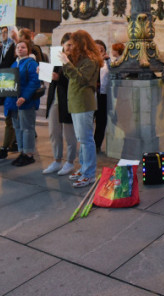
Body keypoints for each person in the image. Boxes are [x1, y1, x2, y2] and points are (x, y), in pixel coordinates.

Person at [60, 30, 102, 188]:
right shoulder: (81, 59)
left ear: (82, 42)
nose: (72, 45)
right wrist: (68, 59)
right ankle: (84, 167)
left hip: (84, 103)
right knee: (81, 139)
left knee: (86, 140)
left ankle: (89, 174)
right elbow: (70, 75)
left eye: (74, 42)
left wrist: (67, 62)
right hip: (76, 103)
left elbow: (82, 79)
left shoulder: (90, 60)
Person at [42, 33, 78, 176]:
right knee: (54, 132)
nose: (70, 48)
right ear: (62, 45)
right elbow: (52, 77)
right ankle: (57, 160)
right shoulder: (57, 57)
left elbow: (75, 80)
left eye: (72, 45)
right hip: (54, 99)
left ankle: (70, 162)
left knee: (69, 134)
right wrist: (44, 73)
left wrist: (59, 78)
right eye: (67, 44)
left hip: (68, 100)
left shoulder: (76, 59)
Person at [7, 41, 43, 167]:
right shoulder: (15, 63)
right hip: (14, 102)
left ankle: (28, 154)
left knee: (27, 128)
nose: (20, 49)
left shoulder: (31, 63)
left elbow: (34, 82)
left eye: (23, 47)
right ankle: (22, 151)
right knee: (18, 127)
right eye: (18, 47)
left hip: (26, 101)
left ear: (28, 50)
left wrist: (24, 97)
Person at [0, 26, 20, 162]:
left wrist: (17, 41)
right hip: (7, 88)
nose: (4, 35)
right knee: (10, 120)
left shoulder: (18, 48)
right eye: (2, 33)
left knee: (18, 122)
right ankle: (7, 147)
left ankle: (16, 148)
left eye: (6, 32)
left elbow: (6, 66)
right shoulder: (2, 49)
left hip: (17, 90)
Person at [93, 39, 110, 153]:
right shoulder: (89, 62)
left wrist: (107, 61)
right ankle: (88, 144)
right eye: (96, 49)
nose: (99, 52)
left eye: (101, 50)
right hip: (91, 94)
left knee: (101, 121)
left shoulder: (107, 63)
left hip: (102, 95)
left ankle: (97, 144)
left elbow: (113, 71)